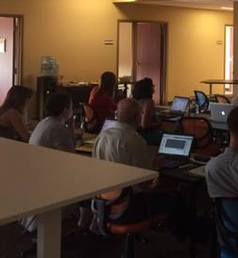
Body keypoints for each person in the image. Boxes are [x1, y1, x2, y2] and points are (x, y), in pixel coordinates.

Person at [92, 99, 194, 238]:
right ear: (138, 117)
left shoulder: (102, 137)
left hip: (103, 204)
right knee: (176, 196)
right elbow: (145, 182)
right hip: (129, 207)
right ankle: (183, 239)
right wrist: (155, 169)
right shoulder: (134, 139)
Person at [23, 92, 75, 232]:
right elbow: (72, 159)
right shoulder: (58, 128)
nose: (72, 111)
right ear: (65, 110)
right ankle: (84, 223)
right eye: (71, 108)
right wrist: (71, 126)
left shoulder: (44, 122)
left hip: (37, 176)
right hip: (49, 181)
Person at [132, 77, 162, 145]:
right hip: (144, 135)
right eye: (152, 86)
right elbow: (144, 125)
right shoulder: (149, 102)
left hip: (134, 132)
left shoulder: (133, 101)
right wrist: (159, 123)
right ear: (148, 89)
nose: (154, 88)